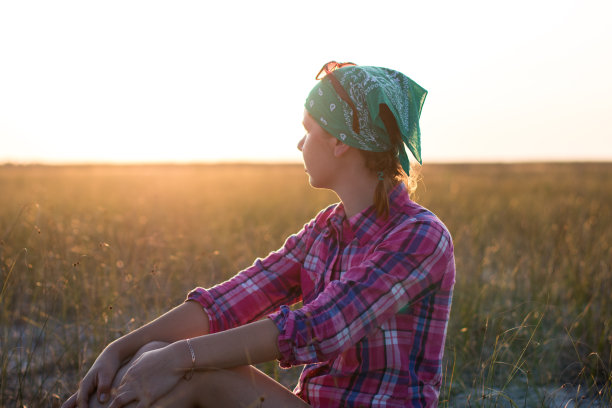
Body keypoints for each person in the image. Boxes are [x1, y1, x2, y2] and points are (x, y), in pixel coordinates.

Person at [62, 61, 455, 408]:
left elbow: (321, 327)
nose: (299, 143)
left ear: (339, 141)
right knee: (153, 354)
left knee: (189, 366)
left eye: (309, 130)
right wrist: (119, 350)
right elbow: (227, 303)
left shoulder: (421, 236)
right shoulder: (326, 230)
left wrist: (178, 357)